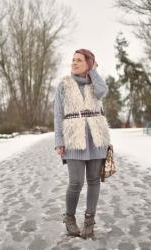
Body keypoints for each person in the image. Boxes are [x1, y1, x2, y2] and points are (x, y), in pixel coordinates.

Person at [54, 49, 110, 238]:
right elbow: (58, 114)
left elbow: (103, 91)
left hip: (96, 136)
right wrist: (58, 140)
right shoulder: (63, 84)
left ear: (89, 63)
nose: (74, 63)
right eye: (73, 60)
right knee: (76, 182)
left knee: (94, 181)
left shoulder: (96, 83)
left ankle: (89, 220)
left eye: (79, 60)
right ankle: (69, 218)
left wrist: (93, 72)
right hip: (73, 137)